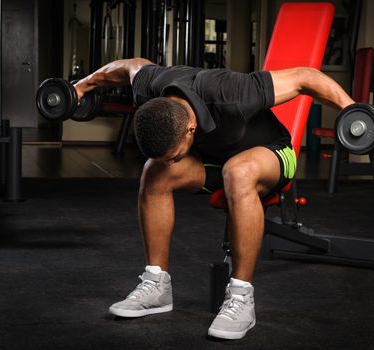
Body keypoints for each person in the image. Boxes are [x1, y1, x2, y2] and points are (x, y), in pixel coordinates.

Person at [74, 58, 355, 340]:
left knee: (238, 171)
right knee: (155, 170)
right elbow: (127, 67)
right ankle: (157, 285)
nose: (173, 162)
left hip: (270, 155)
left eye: (175, 154)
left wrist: (354, 113)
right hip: (215, 163)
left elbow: (305, 77)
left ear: (190, 130)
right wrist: (80, 88)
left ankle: (242, 297)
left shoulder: (231, 92)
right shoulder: (152, 84)